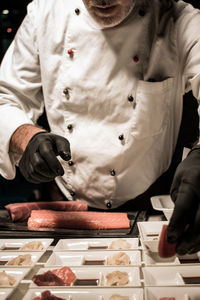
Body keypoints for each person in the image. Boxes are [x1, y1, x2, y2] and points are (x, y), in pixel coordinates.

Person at [0, 0, 200, 254]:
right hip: (65, 211)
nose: (101, 0)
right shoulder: (45, 13)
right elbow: (6, 97)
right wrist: (26, 136)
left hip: (149, 211)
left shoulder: (177, 17)